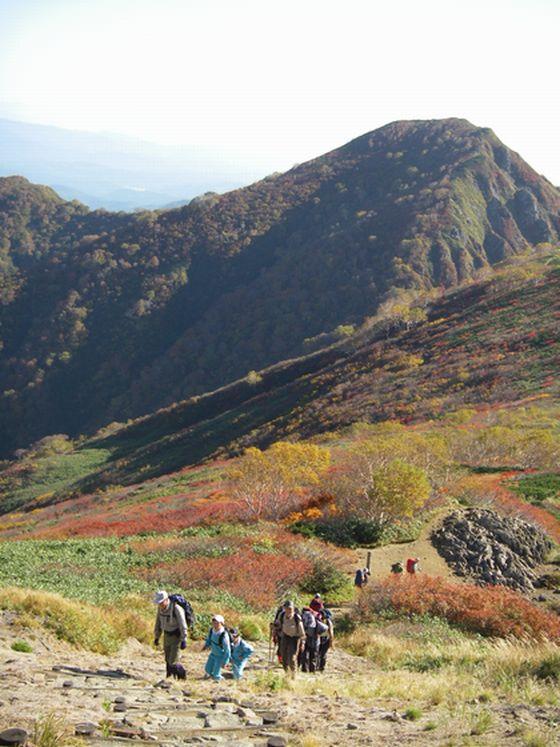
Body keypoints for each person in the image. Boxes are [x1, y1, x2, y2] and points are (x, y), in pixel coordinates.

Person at [153, 590, 188, 680]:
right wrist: (157, 637)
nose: (160, 604)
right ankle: (169, 677)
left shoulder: (176, 608)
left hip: (177, 636)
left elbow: (183, 624)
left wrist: (184, 639)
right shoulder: (160, 609)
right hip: (166, 635)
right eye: (158, 603)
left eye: (161, 602)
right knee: (167, 659)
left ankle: (182, 676)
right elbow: (158, 622)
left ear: (166, 600)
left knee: (173, 661)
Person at [273, 600, 305, 677]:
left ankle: (293, 675)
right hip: (285, 637)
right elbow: (278, 625)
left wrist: (302, 643)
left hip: (295, 639)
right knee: (283, 656)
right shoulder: (282, 615)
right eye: (287, 608)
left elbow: (302, 633)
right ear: (284, 608)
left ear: (293, 609)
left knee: (292, 657)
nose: (288, 610)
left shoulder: (297, 618)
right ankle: (287, 673)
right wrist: (274, 628)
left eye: (290, 608)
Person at [299, 606, 328, 673]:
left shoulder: (303, 616)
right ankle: (312, 670)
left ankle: (304, 669)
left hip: (305, 638)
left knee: (305, 654)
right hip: (315, 639)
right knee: (313, 655)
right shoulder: (315, 616)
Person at [203, 615, 231, 682]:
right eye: (213, 622)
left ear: (221, 623)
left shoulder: (224, 635)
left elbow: (227, 650)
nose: (215, 624)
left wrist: (225, 662)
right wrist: (206, 645)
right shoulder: (212, 630)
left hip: (220, 656)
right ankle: (209, 675)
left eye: (217, 622)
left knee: (216, 674)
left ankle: (219, 680)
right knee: (207, 669)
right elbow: (209, 639)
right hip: (213, 654)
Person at [317, 607, 335, 672]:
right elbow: (331, 633)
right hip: (325, 639)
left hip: (319, 638)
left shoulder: (318, 620)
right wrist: (331, 642)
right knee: (323, 654)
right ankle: (321, 668)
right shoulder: (328, 621)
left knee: (319, 653)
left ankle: (318, 667)